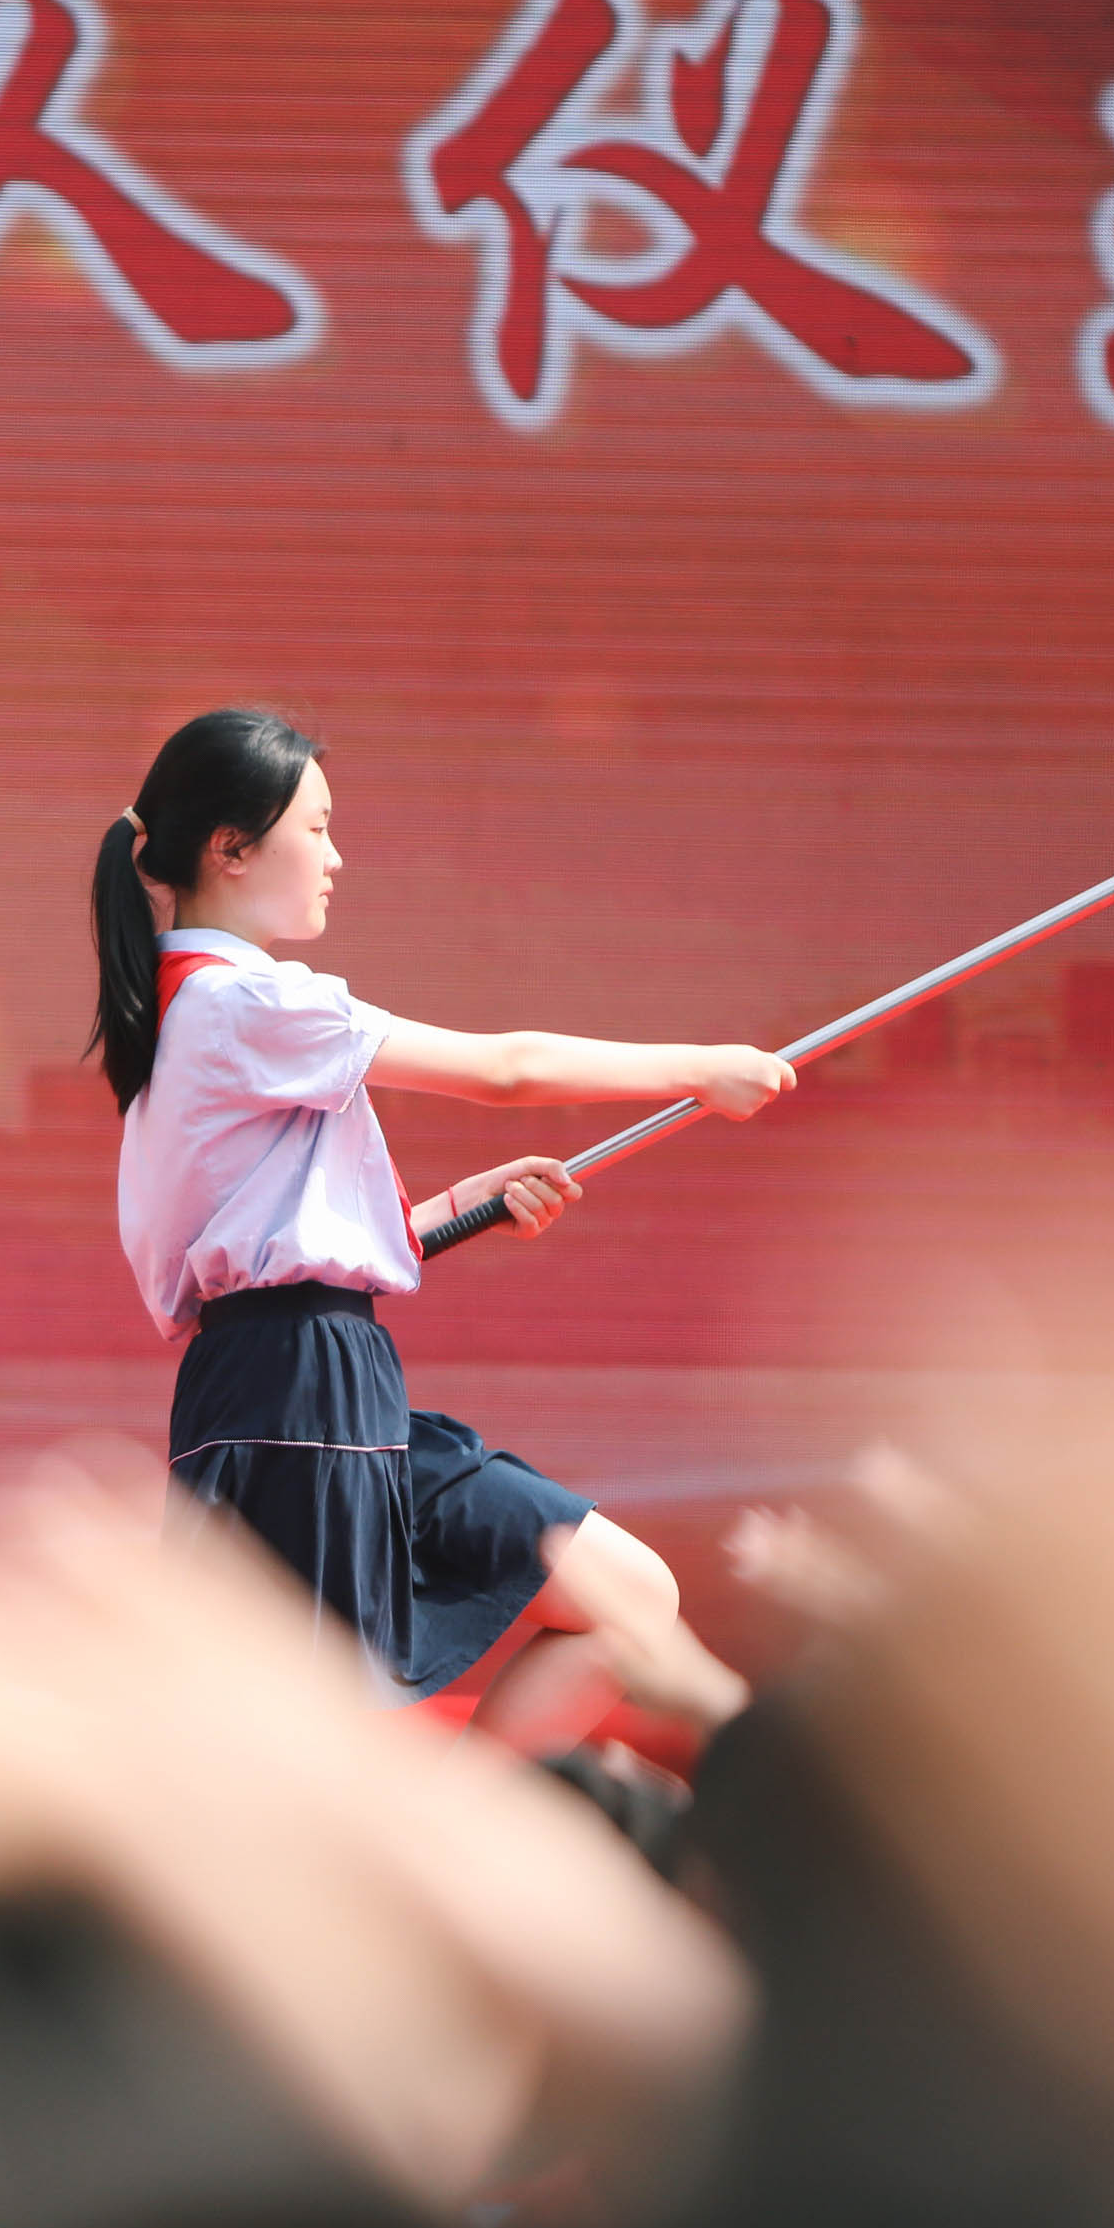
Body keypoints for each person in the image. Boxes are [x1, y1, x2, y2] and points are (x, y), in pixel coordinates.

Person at [89, 707, 784, 1751]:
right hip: (297, 1394)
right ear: (231, 848)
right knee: (300, 1743)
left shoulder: (200, 1013)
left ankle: (454, 1836)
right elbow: (503, 1068)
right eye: (314, 828)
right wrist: (697, 1069)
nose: (335, 857)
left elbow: (280, 1245)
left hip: (314, 1374)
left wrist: (457, 1209)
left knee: (629, 1596)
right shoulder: (244, 1005)